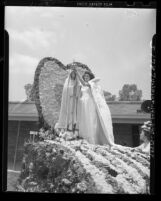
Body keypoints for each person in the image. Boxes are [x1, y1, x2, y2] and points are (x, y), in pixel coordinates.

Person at [76, 70, 115, 146]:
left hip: (89, 103)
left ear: (90, 77)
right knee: (84, 120)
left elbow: (85, 83)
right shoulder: (82, 85)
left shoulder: (91, 84)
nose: (86, 77)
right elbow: (80, 90)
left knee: (90, 120)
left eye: (87, 76)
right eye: (85, 76)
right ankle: (83, 137)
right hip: (83, 103)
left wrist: (77, 73)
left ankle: (92, 139)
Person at [55, 69, 81, 135]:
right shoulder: (67, 81)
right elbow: (65, 91)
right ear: (70, 74)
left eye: (74, 74)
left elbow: (79, 91)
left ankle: (73, 128)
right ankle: (67, 127)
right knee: (69, 113)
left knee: (74, 113)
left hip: (74, 100)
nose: (73, 75)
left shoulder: (77, 82)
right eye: (72, 74)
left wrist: (77, 88)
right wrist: (72, 89)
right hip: (69, 100)